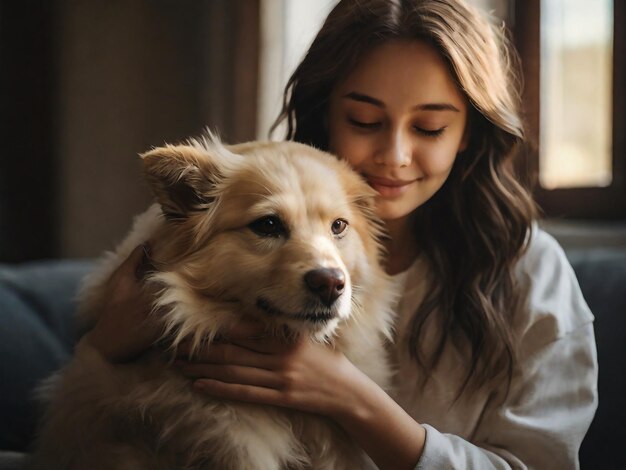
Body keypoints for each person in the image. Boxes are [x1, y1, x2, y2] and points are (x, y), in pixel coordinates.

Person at [82, 0, 598, 468]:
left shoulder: (531, 273)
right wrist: (110, 339)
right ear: (326, 112)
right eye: (365, 119)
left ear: (469, 133)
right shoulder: (231, 195)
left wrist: (352, 398)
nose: (394, 156)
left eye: (429, 128)